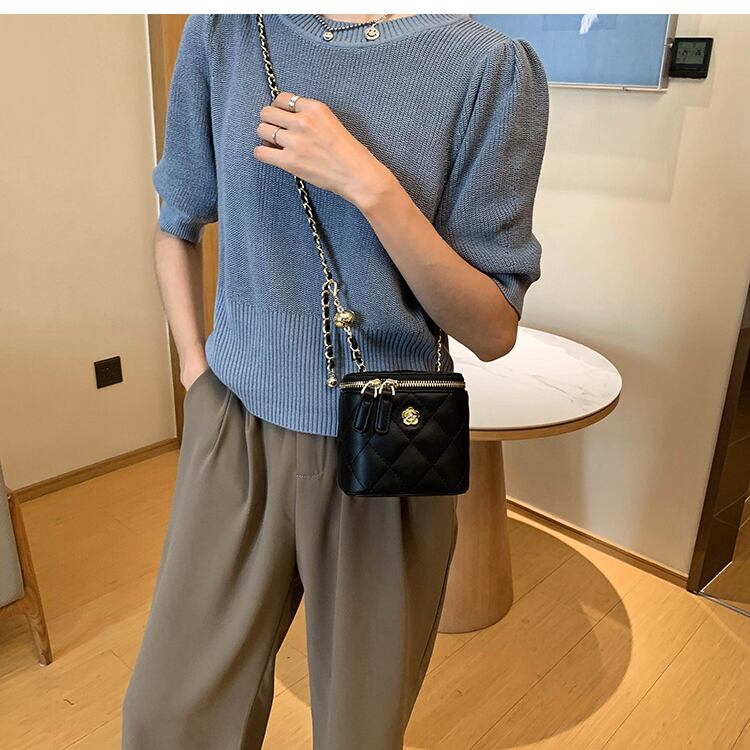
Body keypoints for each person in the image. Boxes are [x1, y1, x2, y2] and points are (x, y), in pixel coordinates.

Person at [121, 12, 548, 750]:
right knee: (167, 719)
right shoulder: (226, 30)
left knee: (360, 730)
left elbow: (491, 329)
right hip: (236, 427)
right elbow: (177, 220)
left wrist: (369, 184)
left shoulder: (487, 67)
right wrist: (196, 371)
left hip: (389, 445)